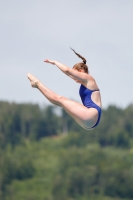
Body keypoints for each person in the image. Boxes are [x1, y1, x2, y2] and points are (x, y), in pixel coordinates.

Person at [27, 48, 102, 130]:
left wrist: (55, 62)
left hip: (90, 115)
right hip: (91, 120)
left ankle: (37, 84)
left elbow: (67, 70)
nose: (74, 78)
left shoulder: (88, 78)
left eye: (75, 73)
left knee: (60, 99)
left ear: (80, 71)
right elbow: (68, 74)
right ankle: (36, 85)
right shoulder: (86, 82)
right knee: (61, 102)